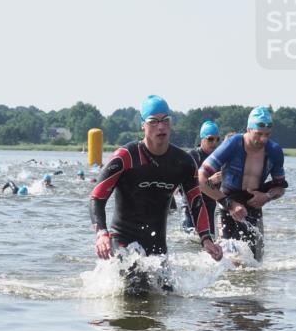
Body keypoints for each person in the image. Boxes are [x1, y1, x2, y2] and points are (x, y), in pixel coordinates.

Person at [90, 95, 223, 274]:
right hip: (123, 240)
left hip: (157, 246)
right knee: (134, 285)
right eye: (153, 122)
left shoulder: (183, 162)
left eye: (165, 121)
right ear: (142, 125)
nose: (160, 127)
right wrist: (101, 234)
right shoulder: (126, 157)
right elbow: (96, 198)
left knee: (165, 295)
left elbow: (196, 202)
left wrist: (206, 239)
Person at [197, 106, 287, 261]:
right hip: (227, 205)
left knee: (256, 262)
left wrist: (267, 196)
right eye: (259, 134)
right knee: (227, 260)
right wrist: (229, 204)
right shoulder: (233, 144)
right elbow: (200, 178)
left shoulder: (274, 151)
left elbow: (280, 188)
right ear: (248, 129)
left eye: (267, 135)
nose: (263, 140)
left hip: (253, 206)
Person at [180, 120, 222, 232]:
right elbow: (185, 187)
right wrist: (209, 181)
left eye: (217, 139)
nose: (214, 143)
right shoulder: (191, 156)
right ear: (202, 139)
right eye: (210, 139)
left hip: (210, 208)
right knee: (191, 243)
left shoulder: (219, 159)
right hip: (191, 209)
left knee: (211, 243)